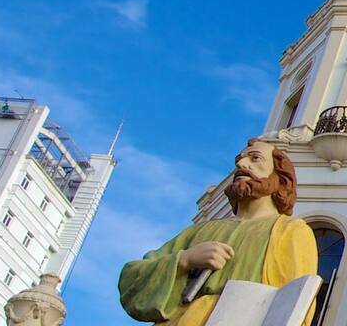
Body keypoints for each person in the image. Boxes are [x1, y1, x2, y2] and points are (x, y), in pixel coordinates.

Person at [119, 139, 318, 325]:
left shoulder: (291, 231)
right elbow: (132, 279)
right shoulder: (201, 230)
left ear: (279, 178)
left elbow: (297, 304)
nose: (241, 165)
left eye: (255, 158)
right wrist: (183, 261)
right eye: (239, 160)